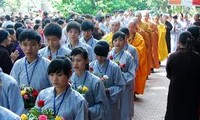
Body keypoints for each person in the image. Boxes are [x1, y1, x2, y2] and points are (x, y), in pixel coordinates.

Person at [165, 31, 200, 120]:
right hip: (192, 89)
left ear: (179, 42)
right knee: (190, 111)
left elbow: (168, 73)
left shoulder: (173, 56)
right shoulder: (197, 56)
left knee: (174, 112)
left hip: (176, 89)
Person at [70, 46, 109, 120]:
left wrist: (85, 111)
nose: (75, 63)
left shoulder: (95, 81)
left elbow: (102, 106)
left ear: (86, 60)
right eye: (73, 60)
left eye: (78, 60)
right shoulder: (68, 78)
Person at [90, 41, 125, 120]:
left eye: (102, 56)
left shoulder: (114, 67)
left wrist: (108, 90)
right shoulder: (91, 66)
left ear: (107, 54)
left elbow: (120, 85)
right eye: (97, 55)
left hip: (109, 100)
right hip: (95, 100)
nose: (99, 58)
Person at [108, 31, 136, 120]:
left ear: (125, 42)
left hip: (125, 88)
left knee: (124, 110)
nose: (117, 43)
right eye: (115, 40)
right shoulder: (109, 54)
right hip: (112, 87)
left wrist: (119, 75)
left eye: (120, 40)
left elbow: (131, 74)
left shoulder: (128, 56)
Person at [127, 19, 148, 95]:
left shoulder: (139, 37)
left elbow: (141, 49)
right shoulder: (124, 36)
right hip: (126, 61)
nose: (130, 29)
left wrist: (132, 50)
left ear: (136, 28)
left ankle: (134, 92)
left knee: (136, 76)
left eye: (132, 27)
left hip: (136, 60)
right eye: (129, 27)